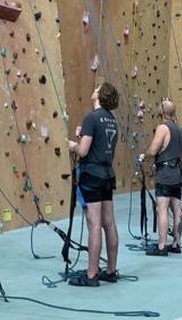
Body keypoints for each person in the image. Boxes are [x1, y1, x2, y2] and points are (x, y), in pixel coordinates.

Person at [66, 83, 120, 286]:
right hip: (107, 174)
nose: (94, 89)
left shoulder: (91, 117)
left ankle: (91, 274)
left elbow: (84, 151)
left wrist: (73, 145)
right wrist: (83, 137)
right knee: (109, 223)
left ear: (100, 94)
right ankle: (111, 270)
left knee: (94, 225)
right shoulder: (111, 120)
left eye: (96, 88)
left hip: (92, 174)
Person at [141, 98, 182, 256]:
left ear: (163, 111)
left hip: (165, 173)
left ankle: (161, 246)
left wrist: (144, 155)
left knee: (162, 209)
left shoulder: (162, 128)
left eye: (160, 106)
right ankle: (176, 243)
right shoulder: (180, 131)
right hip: (178, 173)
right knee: (177, 209)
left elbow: (153, 150)